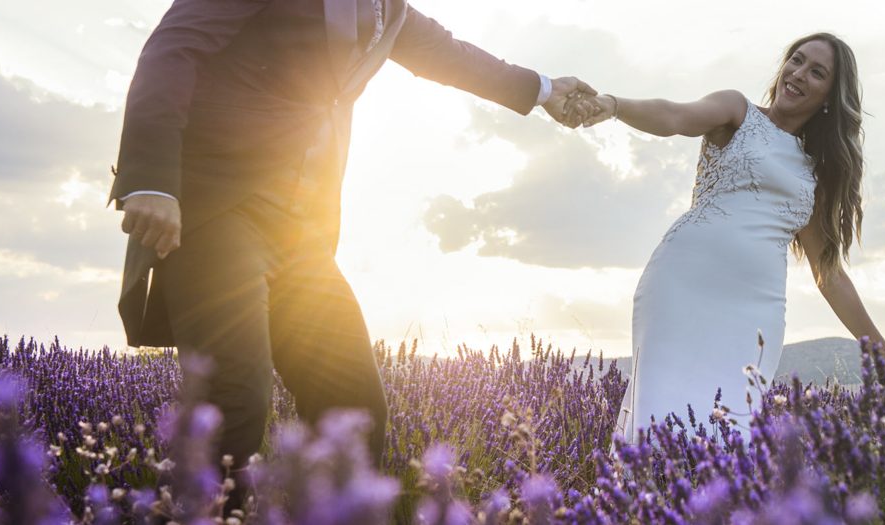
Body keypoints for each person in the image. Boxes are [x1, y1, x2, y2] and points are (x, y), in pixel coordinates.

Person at [109, 0, 595, 504]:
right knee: (234, 406)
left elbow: (451, 55)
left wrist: (543, 91)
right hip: (220, 208)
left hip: (299, 232)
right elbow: (172, 46)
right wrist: (152, 182)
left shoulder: (389, 9)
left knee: (353, 408)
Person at [584, 33, 885, 442]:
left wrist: (879, 349)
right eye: (796, 61)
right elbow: (674, 116)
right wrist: (614, 106)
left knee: (731, 434)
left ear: (830, 97)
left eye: (816, 72)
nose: (798, 74)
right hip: (681, 286)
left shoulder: (814, 172)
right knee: (656, 418)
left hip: (754, 314)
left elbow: (829, 274)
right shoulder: (737, 111)